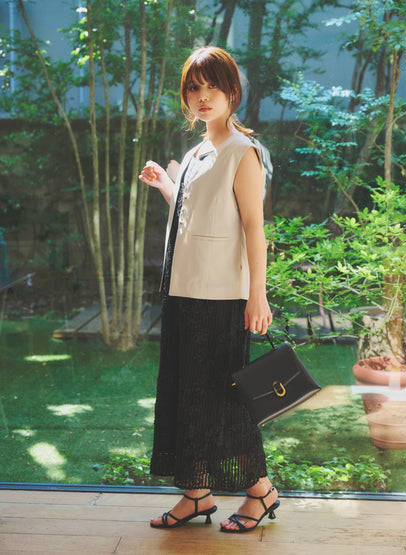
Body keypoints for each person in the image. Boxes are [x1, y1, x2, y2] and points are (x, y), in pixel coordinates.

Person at [139, 46, 279, 533]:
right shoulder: (196, 153)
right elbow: (194, 216)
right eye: (193, 88)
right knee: (185, 393)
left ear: (232, 92)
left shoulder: (243, 152)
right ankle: (197, 493)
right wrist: (166, 185)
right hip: (183, 291)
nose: (202, 96)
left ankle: (260, 491)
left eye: (212, 86)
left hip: (222, 298)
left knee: (223, 398)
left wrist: (258, 295)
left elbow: (254, 228)